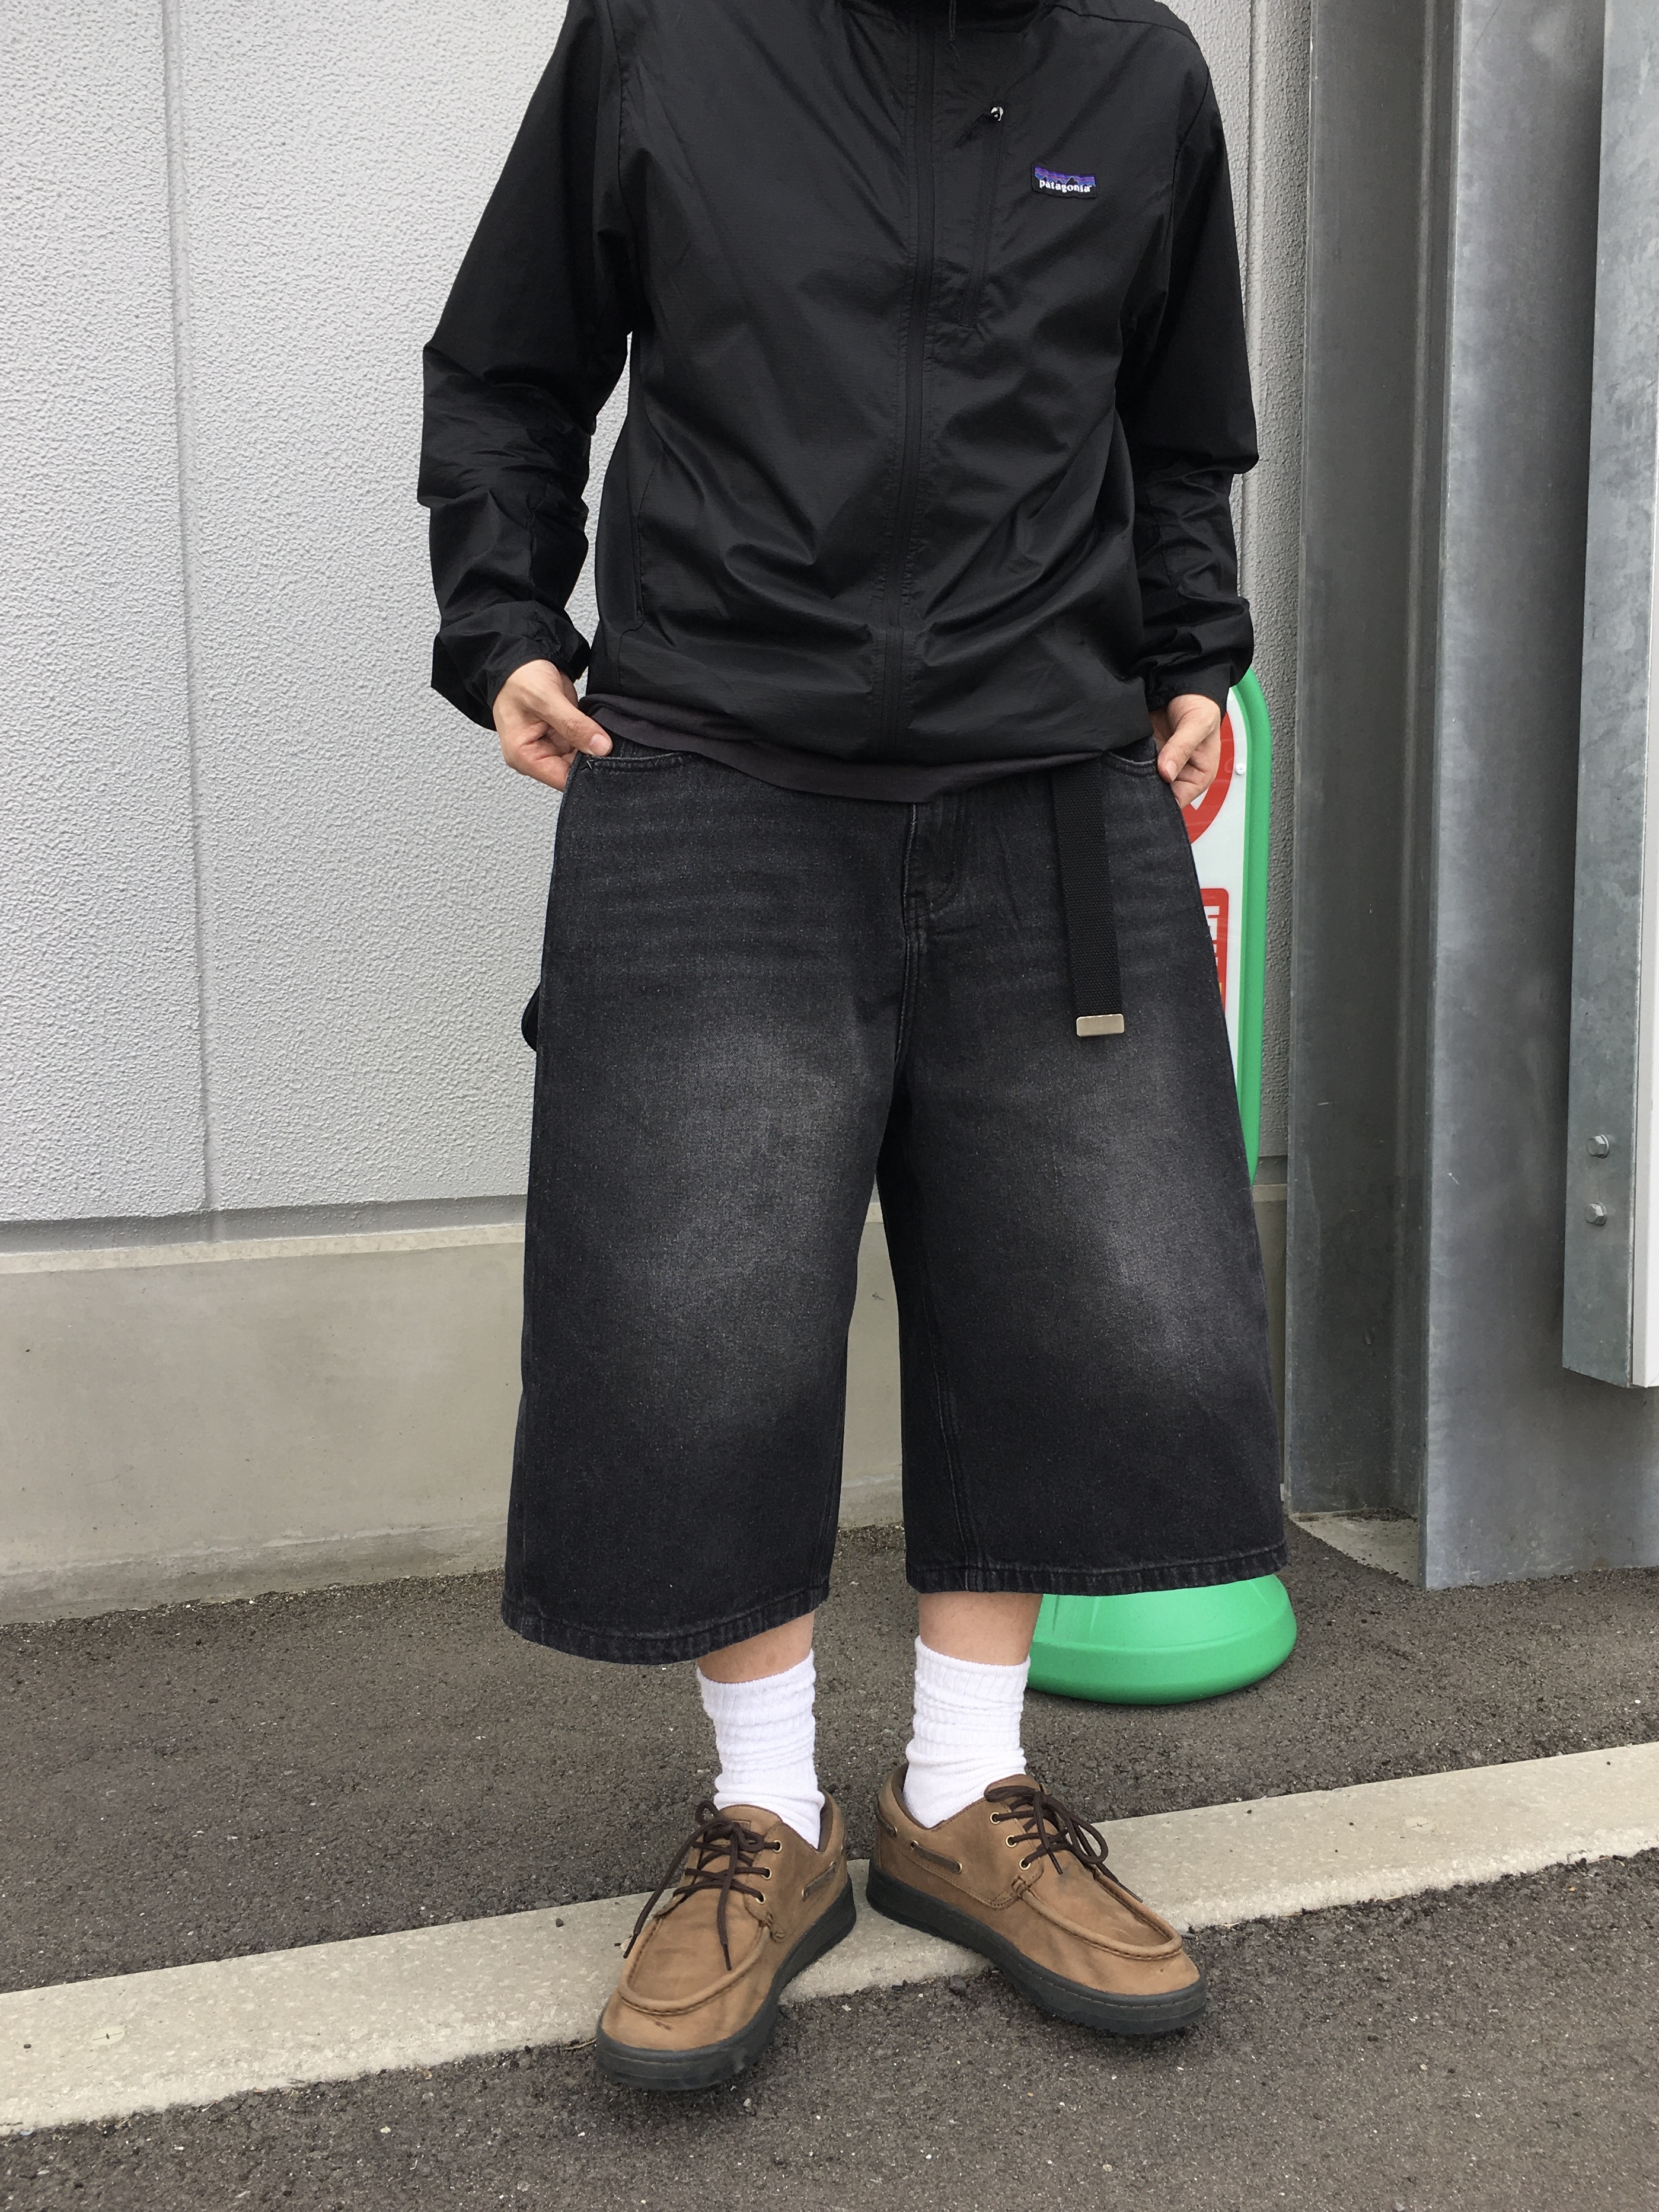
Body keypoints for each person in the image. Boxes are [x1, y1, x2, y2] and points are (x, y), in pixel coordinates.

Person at [420, 0, 1284, 2093]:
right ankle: (767, 1811)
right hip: (715, 755)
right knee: (698, 1306)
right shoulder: (666, 33)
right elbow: (513, 361)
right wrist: (503, 614)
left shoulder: (1139, 72)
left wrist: (1191, 652)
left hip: (1051, 768)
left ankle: (964, 1789)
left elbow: (1177, 428)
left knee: (1083, 1291)